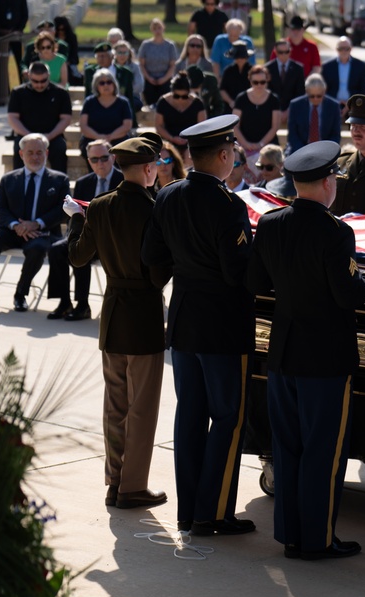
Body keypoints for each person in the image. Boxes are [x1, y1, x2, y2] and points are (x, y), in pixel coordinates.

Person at [247, 140, 365, 560]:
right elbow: (348, 293)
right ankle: (317, 540)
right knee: (323, 452)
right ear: (328, 182)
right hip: (325, 359)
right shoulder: (336, 232)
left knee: (289, 447)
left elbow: (256, 283)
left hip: (283, 353)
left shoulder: (273, 223)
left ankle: (292, 535)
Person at [141, 115, 256, 537]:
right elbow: (236, 270)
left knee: (189, 414)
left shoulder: (168, 196)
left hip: (185, 318)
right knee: (227, 417)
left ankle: (189, 512)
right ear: (224, 156)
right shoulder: (230, 206)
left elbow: (153, 256)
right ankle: (215, 512)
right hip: (223, 325)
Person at [65, 133, 172, 510]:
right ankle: (132, 486)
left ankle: (114, 481)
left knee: (115, 405)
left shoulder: (99, 206)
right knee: (142, 408)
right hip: (143, 313)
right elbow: (159, 274)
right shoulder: (156, 209)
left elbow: (78, 257)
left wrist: (76, 221)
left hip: (112, 315)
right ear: (147, 169)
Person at [0, 134, 70, 314]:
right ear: (21, 154)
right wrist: (16, 226)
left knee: (37, 248)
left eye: (39, 152)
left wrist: (36, 224)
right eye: (30, 153)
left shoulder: (59, 180)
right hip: (12, 230)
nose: (35, 157)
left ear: (47, 153)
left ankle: (20, 293)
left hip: (42, 233)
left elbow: (62, 211)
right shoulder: (8, 179)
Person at [47, 139, 124, 322]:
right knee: (58, 248)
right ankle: (65, 302)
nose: (100, 163)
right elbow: (76, 214)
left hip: (113, 240)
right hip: (88, 235)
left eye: (104, 158)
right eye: (94, 159)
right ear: (89, 161)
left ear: (113, 158)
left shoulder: (123, 180)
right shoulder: (83, 183)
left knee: (83, 251)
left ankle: (82, 305)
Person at [7, 62, 72, 173]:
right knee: (19, 150)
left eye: (43, 81)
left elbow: (65, 119)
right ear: (29, 76)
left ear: (49, 76)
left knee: (59, 149)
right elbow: (12, 118)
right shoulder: (18, 93)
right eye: (35, 81)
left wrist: (49, 136)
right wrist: (30, 137)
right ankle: (18, 187)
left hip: (52, 136)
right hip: (25, 135)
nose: (39, 85)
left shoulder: (60, 93)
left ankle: (60, 187)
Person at [233, 65, 282, 183]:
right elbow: (234, 125)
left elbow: (275, 126)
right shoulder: (241, 98)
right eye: (255, 82)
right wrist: (246, 144)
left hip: (267, 146)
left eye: (262, 82)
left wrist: (261, 144)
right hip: (244, 146)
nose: (259, 85)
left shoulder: (274, 99)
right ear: (250, 81)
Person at [79, 69, 134, 163]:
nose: (106, 85)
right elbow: (84, 126)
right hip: (93, 139)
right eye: (102, 83)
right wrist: (99, 138)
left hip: (118, 139)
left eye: (109, 82)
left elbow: (127, 126)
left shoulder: (123, 102)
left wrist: (110, 137)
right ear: (96, 86)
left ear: (114, 84)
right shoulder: (89, 102)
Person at [155, 71, 207, 157]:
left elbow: (202, 126)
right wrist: (172, 138)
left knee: (190, 155)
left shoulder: (197, 103)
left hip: (192, 142)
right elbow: (159, 126)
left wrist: (190, 139)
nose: (180, 99)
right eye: (176, 96)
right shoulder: (163, 102)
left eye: (184, 96)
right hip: (169, 141)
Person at [287, 73, 341, 154]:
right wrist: (304, 152)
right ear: (307, 92)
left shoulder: (333, 106)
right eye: (312, 96)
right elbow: (292, 135)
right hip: (300, 151)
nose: (315, 99)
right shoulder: (296, 105)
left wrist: (324, 151)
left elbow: (335, 135)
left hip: (325, 152)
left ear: (324, 92)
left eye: (319, 96)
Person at [138, 18, 178, 107]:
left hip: (165, 79)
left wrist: (164, 79)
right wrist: (149, 78)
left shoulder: (170, 46)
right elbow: (141, 64)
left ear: (163, 28)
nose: (157, 31)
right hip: (149, 79)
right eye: (155, 28)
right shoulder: (146, 45)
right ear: (152, 30)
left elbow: (172, 65)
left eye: (159, 28)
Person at [322, 37, 365, 111]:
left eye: (347, 48)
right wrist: (335, 103)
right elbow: (324, 89)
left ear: (351, 49)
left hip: (354, 105)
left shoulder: (361, 66)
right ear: (336, 49)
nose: (344, 51)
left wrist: (349, 104)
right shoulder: (327, 67)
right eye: (341, 48)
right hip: (332, 104)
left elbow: (364, 89)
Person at [265, 39, 305, 117]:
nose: (284, 55)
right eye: (281, 52)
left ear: (290, 51)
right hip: (271, 113)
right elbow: (267, 92)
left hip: (293, 113)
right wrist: (277, 112)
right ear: (275, 52)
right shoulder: (267, 68)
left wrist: (288, 112)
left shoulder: (298, 69)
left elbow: (300, 93)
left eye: (286, 52)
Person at [0, 0, 28, 76]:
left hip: (16, 36)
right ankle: (4, 87)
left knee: (20, 62)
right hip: (0, 37)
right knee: (0, 65)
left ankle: (21, 83)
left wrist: (18, 30)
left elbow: (24, 14)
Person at [220, 41, 254, 113]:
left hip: (249, 106)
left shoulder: (252, 70)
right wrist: (231, 102)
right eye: (238, 57)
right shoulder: (228, 71)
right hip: (231, 107)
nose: (240, 59)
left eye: (243, 57)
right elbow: (222, 90)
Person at [53, 16, 81, 85]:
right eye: (58, 30)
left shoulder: (72, 38)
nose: (60, 32)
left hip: (69, 63)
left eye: (62, 29)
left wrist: (68, 62)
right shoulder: (52, 39)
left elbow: (74, 54)